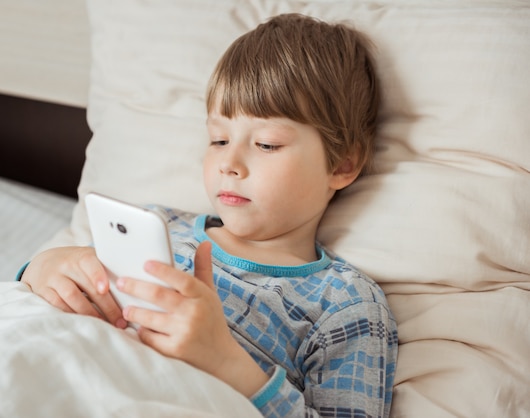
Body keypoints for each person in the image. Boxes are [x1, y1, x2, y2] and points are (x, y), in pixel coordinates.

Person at [20, 13, 398, 418]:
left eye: (267, 144)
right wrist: (43, 268)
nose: (228, 163)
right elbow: (44, 299)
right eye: (218, 139)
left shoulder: (345, 304)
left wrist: (226, 361)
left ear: (342, 164)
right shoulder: (156, 227)